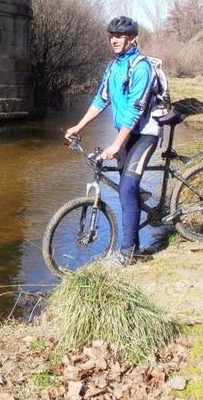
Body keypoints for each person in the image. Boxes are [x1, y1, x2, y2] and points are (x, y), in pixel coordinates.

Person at [65, 15, 160, 265]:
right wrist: (78, 126)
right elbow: (100, 100)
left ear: (132, 38)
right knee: (127, 188)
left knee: (127, 188)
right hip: (126, 133)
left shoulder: (141, 67)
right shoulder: (114, 66)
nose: (113, 40)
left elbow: (134, 111)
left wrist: (116, 145)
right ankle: (139, 198)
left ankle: (130, 252)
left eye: (118, 36)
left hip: (145, 133)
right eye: (111, 36)